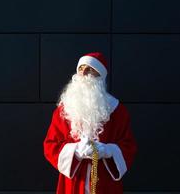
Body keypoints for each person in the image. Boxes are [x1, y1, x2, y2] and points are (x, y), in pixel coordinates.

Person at [43, 52, 137, 194]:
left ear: (100, 75)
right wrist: (76, 151)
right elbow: (50, 145)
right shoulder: (64, 109)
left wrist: (108, 151)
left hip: (105, 182)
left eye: (90, 69)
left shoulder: (117, 110)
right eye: (81, 68)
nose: (83, 72)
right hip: (73, 183)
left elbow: (128, 145)